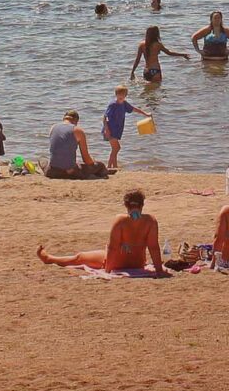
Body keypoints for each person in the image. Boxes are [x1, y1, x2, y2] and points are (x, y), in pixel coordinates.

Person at [38, 189, 166, 274]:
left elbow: (112, 248)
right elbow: (153, 247)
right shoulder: (151, 221)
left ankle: (49, 259)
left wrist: (108, 271)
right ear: (142, 205)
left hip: (117, 263)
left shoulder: (120, 220)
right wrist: (159, 270)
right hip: (138, 263)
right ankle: (49, 258)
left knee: (80, 257)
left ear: (126, 206)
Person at [100, 85, 150, 170]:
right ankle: (109, 167)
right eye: (119, 94)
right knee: (117, 148)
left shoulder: (124, 104)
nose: (121, 96)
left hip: (117, 130)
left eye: (123, 94)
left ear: (126, 95)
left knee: (115, 148)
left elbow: (133, 109)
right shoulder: (113, 105)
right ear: (116, 94)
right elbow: (105, 117)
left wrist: (145, 114)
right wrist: (107, 129)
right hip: (110, 130)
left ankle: (114, 166)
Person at [46, 110, 102, 179]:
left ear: (64, 119)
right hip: (70, 172)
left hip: (52, 171)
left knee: (43, 161)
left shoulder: (53, 128)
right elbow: (86, 159)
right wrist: (93, 162)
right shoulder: (77, 130)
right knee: (100, 165)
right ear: (76, 121)